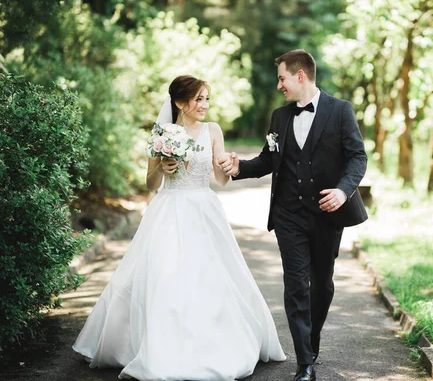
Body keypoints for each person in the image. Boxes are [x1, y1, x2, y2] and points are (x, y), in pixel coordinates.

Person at [73, 75, 286, 381]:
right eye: (198, 99)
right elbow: (150, 183)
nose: (204, 105)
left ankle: (210, 347)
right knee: (165, 277)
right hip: (168, 210)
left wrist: (228, 165)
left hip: (203, 210)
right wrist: (162, 166)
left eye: (206, 99)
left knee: (210, 278)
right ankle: (160, 347)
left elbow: (221, 180)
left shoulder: (213, 131)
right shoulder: (163, 134)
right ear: (179, 103)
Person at [218, 50, 368, 381]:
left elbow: (357, 157)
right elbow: (268, 160)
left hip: (327, 214)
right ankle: (305, 363)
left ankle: (311, 340)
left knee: (322, 285)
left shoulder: (340, 110)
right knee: (296, 284)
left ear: (300, 76)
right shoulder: (279, 116)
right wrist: (239, 167)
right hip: (288, 215)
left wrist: (343, 191)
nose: (279, 85)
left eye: (282, 78)